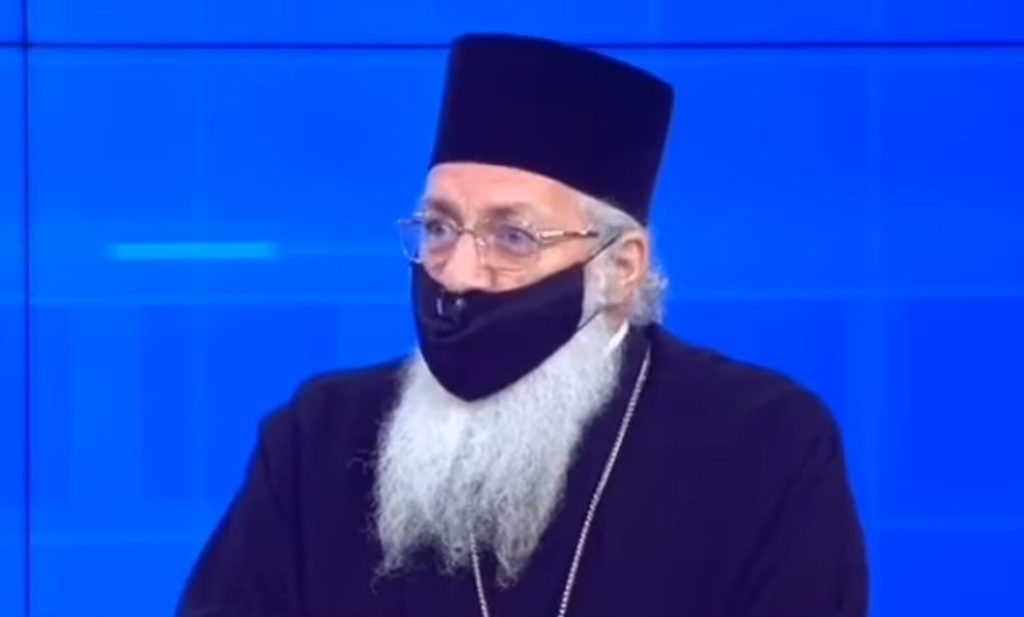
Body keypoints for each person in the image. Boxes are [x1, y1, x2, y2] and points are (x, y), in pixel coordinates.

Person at [177, 33, 868, 617]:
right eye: (439, 228)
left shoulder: (767, 445)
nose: (457, 274)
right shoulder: (318, 439)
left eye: (512, 237)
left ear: (620, 267)